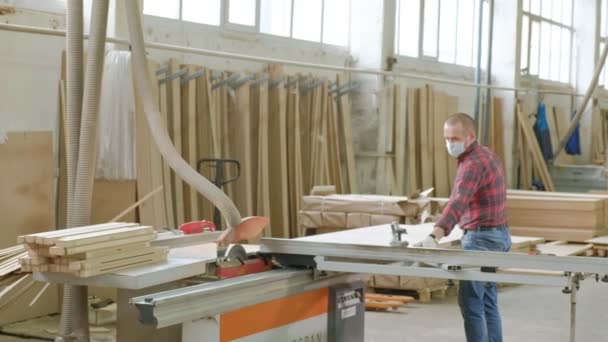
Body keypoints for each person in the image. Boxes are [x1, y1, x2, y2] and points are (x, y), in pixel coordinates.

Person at [415, 112, 511, 342]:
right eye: (447, 138)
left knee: (471, 303)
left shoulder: (472, 164)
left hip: (481, 240)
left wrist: (434, 236)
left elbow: (458, 201)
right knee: (488, 299)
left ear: (470, 136)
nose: (450, 143)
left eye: (455, 138)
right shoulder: (487, 154)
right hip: (498, 235)